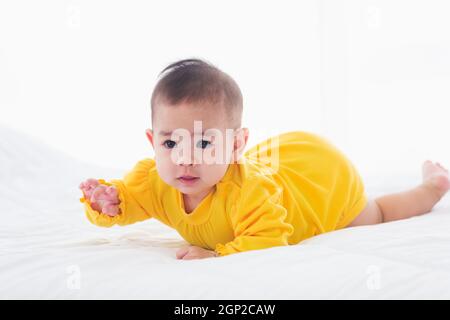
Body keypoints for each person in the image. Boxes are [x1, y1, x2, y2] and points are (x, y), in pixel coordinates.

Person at [79, 58, 450, 260]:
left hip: (318, 179)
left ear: (237, 143)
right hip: (276, 159)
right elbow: (129, 203)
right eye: (171, 143)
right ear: (152, 141)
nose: (185, 159)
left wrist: (217, 257)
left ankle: (431, 187)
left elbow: (269, 239)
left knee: (375, 214)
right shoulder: (154, 180)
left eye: (205, 143)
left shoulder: (248, 194)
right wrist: (109, 202)